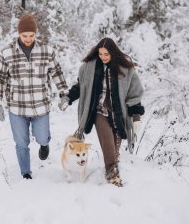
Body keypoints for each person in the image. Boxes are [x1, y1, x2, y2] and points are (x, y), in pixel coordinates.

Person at [58, 37, 144, 186]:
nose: (103, 57)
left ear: (113, 53)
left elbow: (134, 93)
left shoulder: (126, 69)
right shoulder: (89, 68)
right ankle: (112, 176)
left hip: (118, 114)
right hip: (98, 112)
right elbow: (81, 87)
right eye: (100, 54)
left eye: (106, 54)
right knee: (108, 142)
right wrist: (67, 99)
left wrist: (136, 116)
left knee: (115, 150)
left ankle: (113, 166)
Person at [0, 14, 68, 179]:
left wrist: (64, 93)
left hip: (41, 104)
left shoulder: (47, 51)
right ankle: (26, 172)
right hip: (17, 107)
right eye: (24, 35)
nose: (28, 39)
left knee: (41, 135)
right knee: (21, 142)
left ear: (36, 34)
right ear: (18, 34)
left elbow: (57, 73)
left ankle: (44, 144)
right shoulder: (6, 53)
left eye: (31, 35)